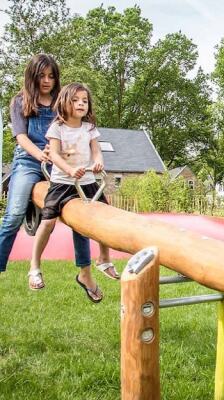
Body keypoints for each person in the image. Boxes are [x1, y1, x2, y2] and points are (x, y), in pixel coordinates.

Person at [0, 54, 116, 292]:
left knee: (79, 215)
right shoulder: (20, 101)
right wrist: (40, 154)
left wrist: (69, 157)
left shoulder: (61, 101)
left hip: (61, 164)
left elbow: (74, 134)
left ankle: (86, 273)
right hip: (29, 160)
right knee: (13, 215)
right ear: (32, 77)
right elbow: (21, 137)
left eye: (51, 76)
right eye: (41, 76)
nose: (46, 81)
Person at [31, 82, 118, 303]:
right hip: (62, 183)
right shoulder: (57, 128)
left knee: (104, 217)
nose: (81, 103)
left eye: (85, 100)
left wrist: (97, 163)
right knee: (48, 222)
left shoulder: (89, 128)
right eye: (76, 100)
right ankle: (35, 265)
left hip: (87, 182)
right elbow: (56, 156)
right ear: (64, 103)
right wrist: (70, 170)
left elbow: (97, 152)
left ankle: (104, 259)